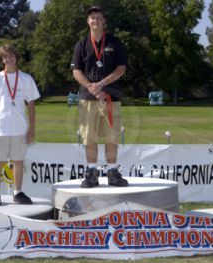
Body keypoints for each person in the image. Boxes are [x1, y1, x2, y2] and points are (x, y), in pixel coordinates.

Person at [71, 6, 128, 188]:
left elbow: (121, 69)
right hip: (88, 98)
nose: (95, 20)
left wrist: (101, 84)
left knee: (112, 137)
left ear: (104, 21)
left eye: (98, 17)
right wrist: (91, 86)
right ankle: (92, 174)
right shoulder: (81, 44)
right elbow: (76, 71)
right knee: (89, 137)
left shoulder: (115, 42)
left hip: (111, 97)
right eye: (92, 18)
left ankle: (112, 173)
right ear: (88, 22)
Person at [0, 44, 40, 206]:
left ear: (16, 57)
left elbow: (32, 105)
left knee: (18, 161)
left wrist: (32, 129)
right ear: (1, 59)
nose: (8, 59)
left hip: (20, 127)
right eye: (5, 56)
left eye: (11, 55)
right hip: (0, 127)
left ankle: (18, 192)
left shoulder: (26, 79)